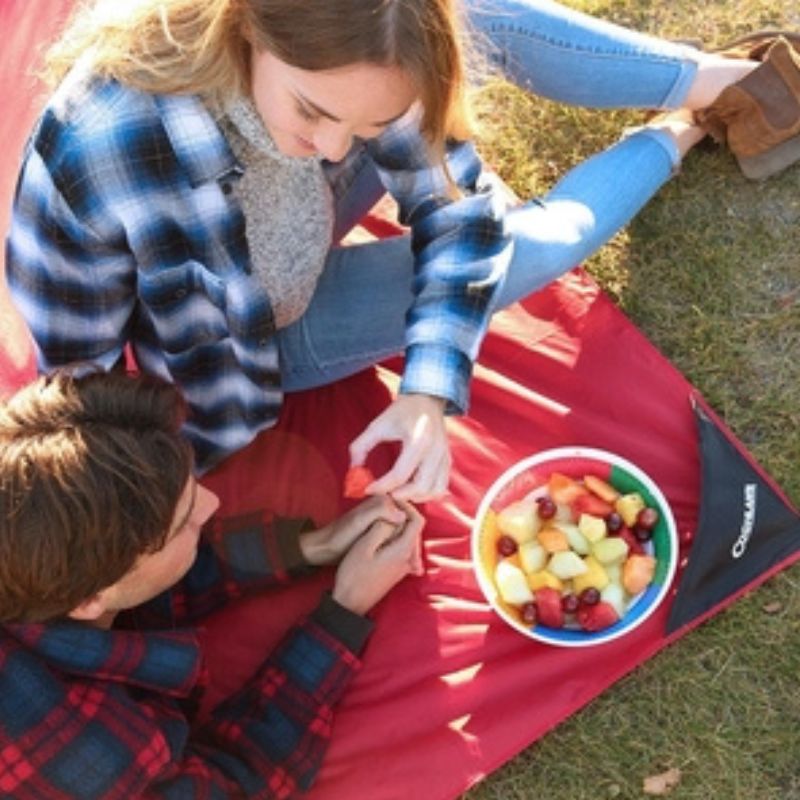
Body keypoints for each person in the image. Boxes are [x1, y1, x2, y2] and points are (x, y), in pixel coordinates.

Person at [4, 0, 771, 500]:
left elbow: (456, 210)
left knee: (455, 15)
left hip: (300, 227)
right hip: (256, 339)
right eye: (316, 111)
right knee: (538, 249)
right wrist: (158, 489)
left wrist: (427, 392)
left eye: (370, 127)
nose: (334, 149)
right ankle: (686, 128)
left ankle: (738, 85)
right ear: (244, 26)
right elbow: (77, 383)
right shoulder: (103, 144)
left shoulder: (364, 61)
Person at [0, 369, 424, 798]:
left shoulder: (52, 557)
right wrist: (343, 612)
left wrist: (311, 546)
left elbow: (135, 581)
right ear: (89, 599)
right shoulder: (78, 754)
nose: (213, 503)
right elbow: (239, 784)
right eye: (183, 521)